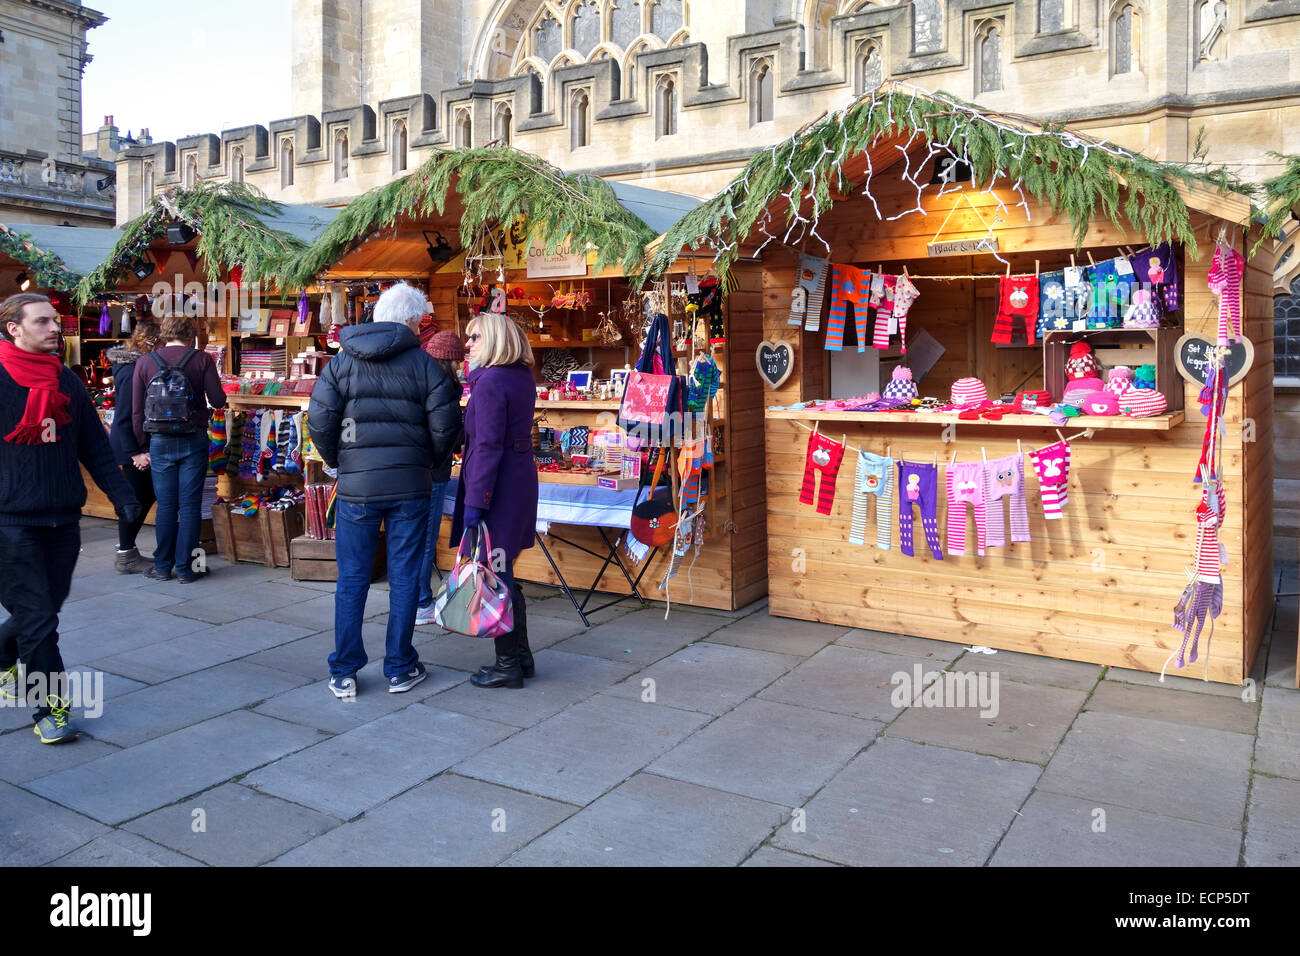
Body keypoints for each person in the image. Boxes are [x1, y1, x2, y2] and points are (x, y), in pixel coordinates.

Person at [309, 282, 461, 698]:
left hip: (358, 487)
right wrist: (425, 462)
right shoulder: (425, 365)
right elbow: (446, 427)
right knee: (405, 575)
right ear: (412, 320)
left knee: (352, 579)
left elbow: (320, 420)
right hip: (410, 486)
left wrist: (340, 461)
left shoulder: (342, 362)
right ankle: (399, 666)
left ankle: (343, 670)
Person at [0, 293, 139, 743]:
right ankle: (51, 709)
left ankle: (3, 653)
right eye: (42, 322)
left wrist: (122, 497)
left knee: (43, 609)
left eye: (56, 321)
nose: (55, 328)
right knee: (40, 619)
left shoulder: (67, 381)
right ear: (14, 329)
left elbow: (93, 448)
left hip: (62, 517)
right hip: (9, 521)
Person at [449, 311, 538, 690]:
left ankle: (507, 665)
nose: (467, 345)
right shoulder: (520, 377)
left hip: (497, 488)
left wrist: (475, 502)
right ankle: (519, 656)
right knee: (504, 568)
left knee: (494, 571)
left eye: (475, 338)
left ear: (497, 341)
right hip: (518, 482)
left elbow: (486, 447)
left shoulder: (489, 383)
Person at [132, 313, 226, 583]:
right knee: (190, 505)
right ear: (190, 335)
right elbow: (218, 400)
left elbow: (137, 411)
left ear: (163, 334)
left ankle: (162, 567)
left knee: (166, 505)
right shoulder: (201, 359)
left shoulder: (145, 362)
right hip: (193, 438)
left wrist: (141, 446)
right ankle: (186, 568)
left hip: (159, 442)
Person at [414, 330, 465, 626]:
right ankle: (421, 601)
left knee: (415, 536)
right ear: (449, 361)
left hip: (415, 468)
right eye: (457, 361)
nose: (460, 367)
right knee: (426, 537)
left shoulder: (417, 379)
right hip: (433, 470)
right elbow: (444, 432)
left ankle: (413, 598)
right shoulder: (443, 386)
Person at [108, 320, 161, 573]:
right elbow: (127, 414)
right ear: (152, 342)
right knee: (136, 497)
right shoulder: (132, 371)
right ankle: (126, 553)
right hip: (133, 445)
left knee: (143, 495)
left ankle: (127, 551)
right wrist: (135, 453)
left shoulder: (134, 366)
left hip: (134, 442)